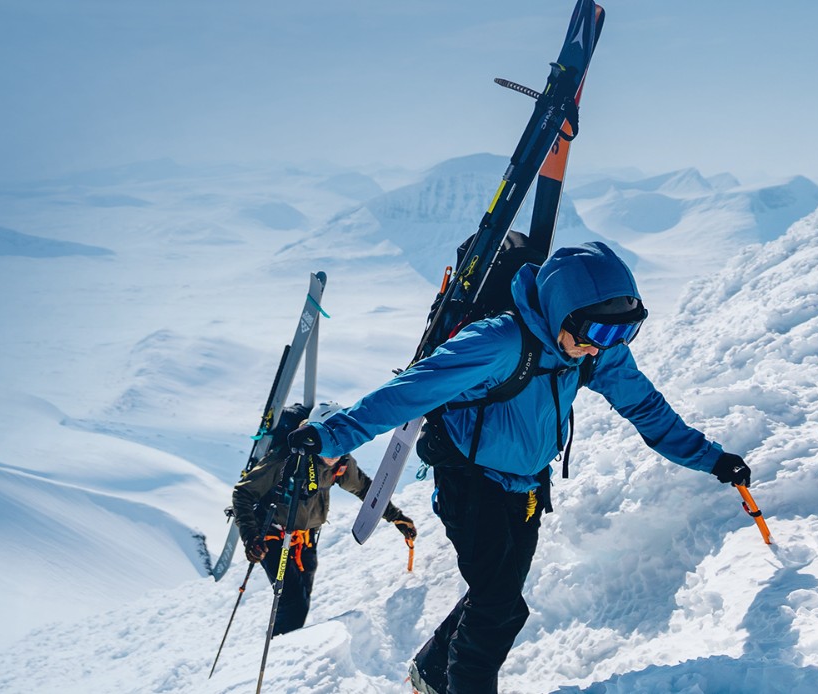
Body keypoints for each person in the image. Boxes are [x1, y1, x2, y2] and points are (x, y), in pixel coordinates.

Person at [285, 243, 753, 694]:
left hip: (528, 487)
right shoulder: (499, 343)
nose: (601, 348)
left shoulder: (593, 347)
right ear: (563, 312)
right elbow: (410, 392)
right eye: (597, 334)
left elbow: (646, 408)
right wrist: (332, 435)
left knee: (501, 601)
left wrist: (711, 458)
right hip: (470, 483)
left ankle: (430, 673)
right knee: (497, 606)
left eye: (621, 335)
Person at [231, 402, 418, 637]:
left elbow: (365, 490)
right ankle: (281, 649)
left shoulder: (341, 464)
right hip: (273, 536)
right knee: (292, 601)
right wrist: (251, 537)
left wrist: (396, 517)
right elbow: (243, 493)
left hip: (307, 539)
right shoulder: (286, 458)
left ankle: (284, 645)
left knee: (301, 599)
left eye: (341, 441)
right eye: (330, 440)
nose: (336, 451)